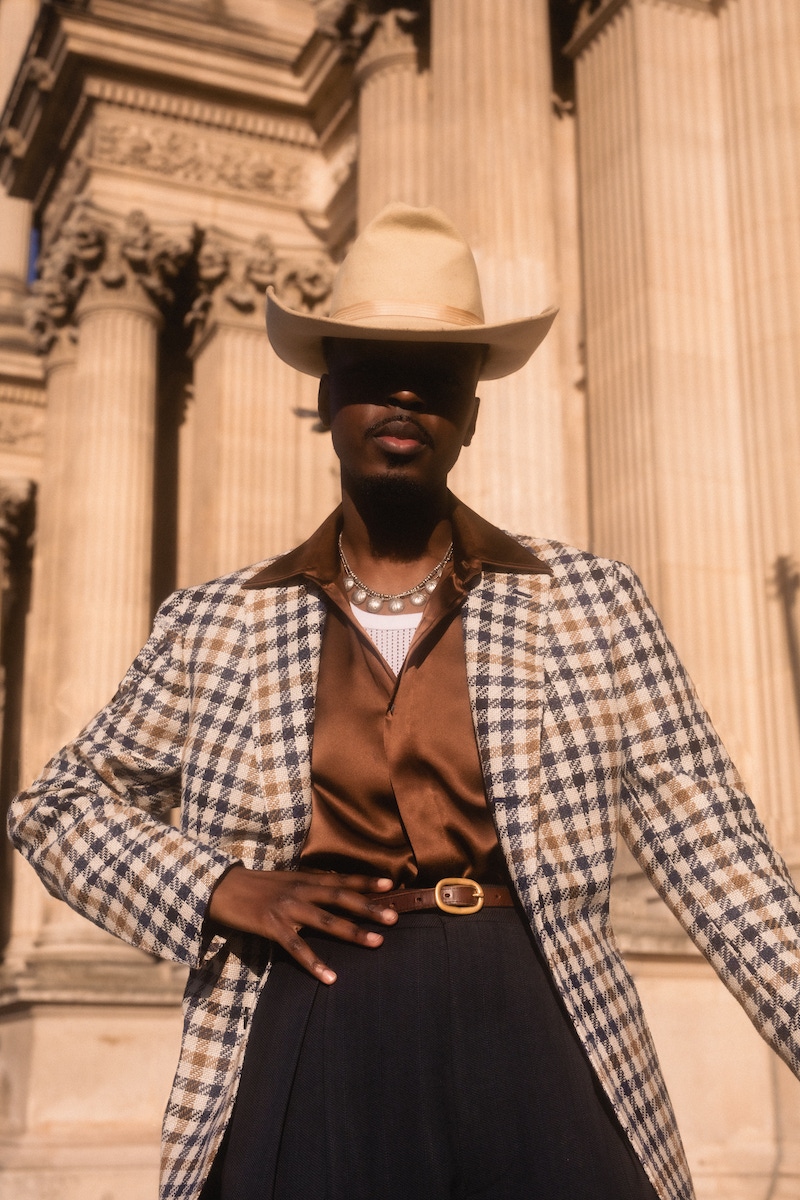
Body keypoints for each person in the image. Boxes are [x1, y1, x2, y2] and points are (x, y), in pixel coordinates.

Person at [8, 203, 800, 1200]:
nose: (401, 394)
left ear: (469, 413)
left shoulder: (586, 600)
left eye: (435, 377)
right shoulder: (217, 621)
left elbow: (721, 862)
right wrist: (217, 886)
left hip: (534, 1016)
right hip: (308, 1023)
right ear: (325, 397)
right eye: (370, 366)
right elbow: (56, 806)